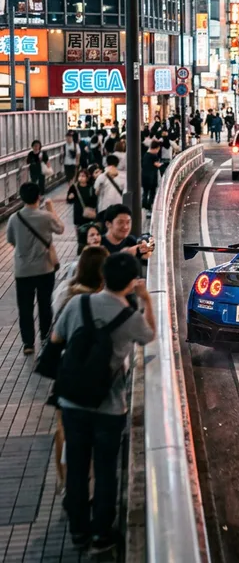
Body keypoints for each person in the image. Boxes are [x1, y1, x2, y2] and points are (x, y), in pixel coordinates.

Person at [51, 252, 156, 553]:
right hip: (109, 407)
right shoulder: (130, 317)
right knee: (107, 470)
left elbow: (58, 337)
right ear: (131, 281)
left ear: (103, 276)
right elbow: (150, 336)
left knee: (77, 467)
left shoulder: (77, 304)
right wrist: (145, 299)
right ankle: (101, 535)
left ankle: (78, 532)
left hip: (72, 402)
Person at [50, 244, 110, 493]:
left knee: (63, 428)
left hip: (65, 370)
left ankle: (64, 481)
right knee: (89, 432)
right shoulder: (98, 301)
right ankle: (86, 482)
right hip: (91, 375)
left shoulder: (65, 292)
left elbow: (55, 336)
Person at [6, 182, 65, 354]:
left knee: (25, 307)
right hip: (44, 269)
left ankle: (28, 344)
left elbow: (11, 240)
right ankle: (45, 337)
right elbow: (61, 229)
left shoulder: (14, 218)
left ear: (21, 197)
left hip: (22, 270)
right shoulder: (46, 217)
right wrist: (51, 209)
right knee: (45, 304)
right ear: (38, 197)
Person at [93, 154, 125, 222]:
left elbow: (96, 193)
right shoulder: (123, 177)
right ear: (117, 163)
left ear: (107, 163)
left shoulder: (101, 177)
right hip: (119, 205)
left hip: (104, 207)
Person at [142, 140, 162, 211]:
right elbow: (157, 164)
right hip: (152, 177)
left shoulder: (146, 154)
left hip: (144, 175)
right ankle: (150, 205)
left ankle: (144, 204)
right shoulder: (154, 156)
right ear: (156, 148)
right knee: (152, 191)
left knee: (145, 192)